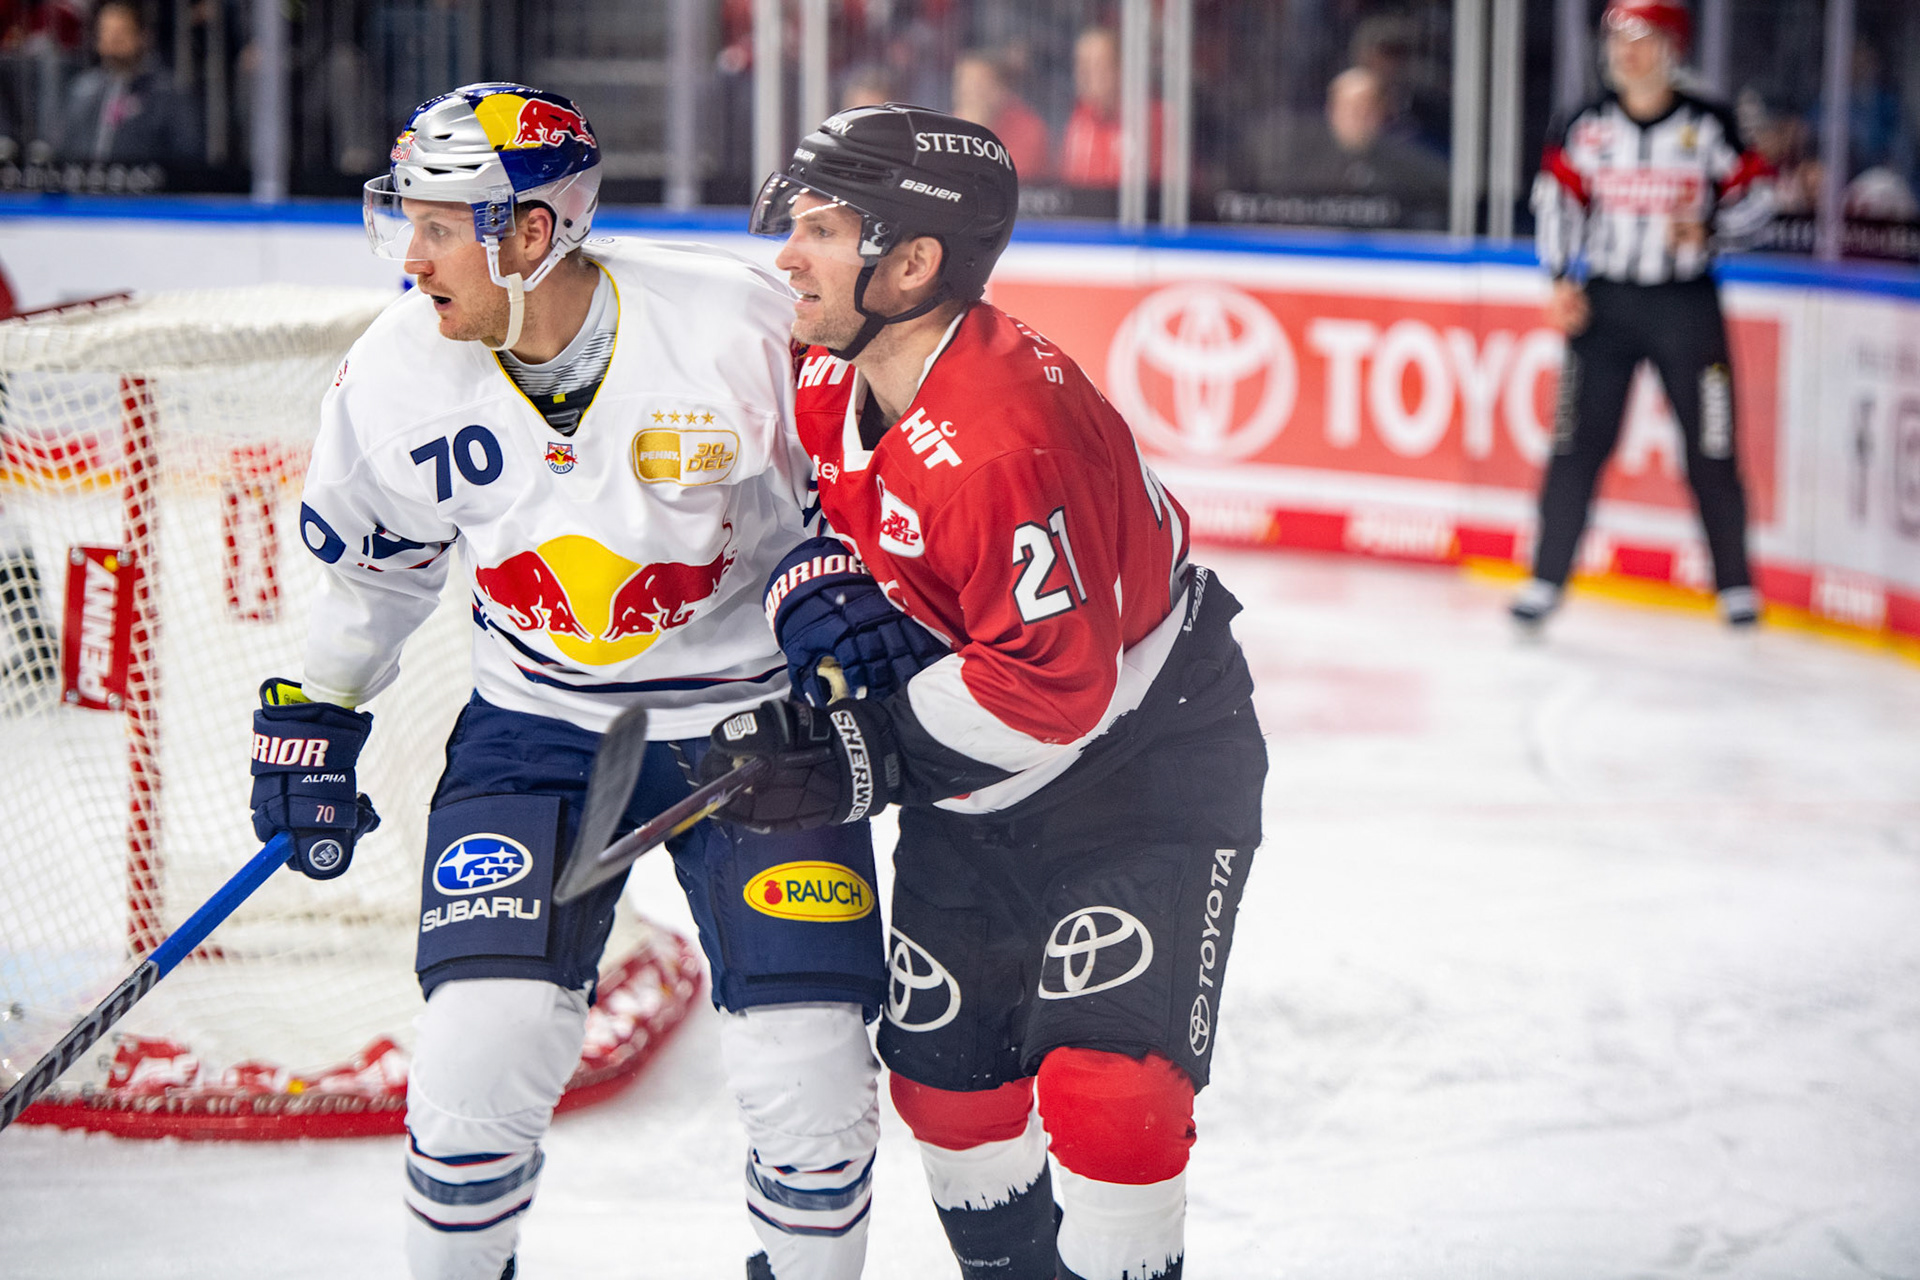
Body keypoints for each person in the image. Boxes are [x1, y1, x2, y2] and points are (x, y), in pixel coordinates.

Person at [246, 83, 888, 1280]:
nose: (412, 259)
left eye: (442, 228)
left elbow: (871, 493)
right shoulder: (392, 374)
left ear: (533, 232)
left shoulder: (738, 325)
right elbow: (373, 574)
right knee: (471, 1077)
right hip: (536, 728)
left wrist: (845, 584)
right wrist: (316, 714)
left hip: (756, 728)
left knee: (815, 1085)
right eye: (407, 222)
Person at [711, 104, 1269, 1280]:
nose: (787, 257)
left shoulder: (1003, 436)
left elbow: (1052, 688)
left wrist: (857, 750)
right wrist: (815, 581)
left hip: (1144, 762)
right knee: (947, 1086)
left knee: (1114, 1092)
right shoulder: (833, 364)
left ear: (913, 263)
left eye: (822, 230)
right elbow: (835, 511)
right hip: (986, 772)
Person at [1518, 0, 1774, 629]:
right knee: (1576, 443)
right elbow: (1556, 203)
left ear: (1672, 49)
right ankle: (1545, 580)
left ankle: (1735, 587)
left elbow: (1760, 200)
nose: (1627, 53)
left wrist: (1713, 229)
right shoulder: (1585, 124)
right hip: (1606, 303)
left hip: (1685, 304)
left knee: (1712, 444)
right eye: (1618, 40)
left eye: (1644, 39)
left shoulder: (1708, 123)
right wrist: (1559, 277)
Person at [53, 0, 200, 165]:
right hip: (86, 179)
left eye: (120, 32)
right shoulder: (83, 89)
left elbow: (186, 153)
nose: (113, 39)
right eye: (106, 31)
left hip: (146, 178)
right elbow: (63, 147)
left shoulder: (166, 93)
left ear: (143, 36)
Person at [1058, 26, 1161, 190]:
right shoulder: (1078, 120)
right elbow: (1069, 190)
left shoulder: (1154, 120)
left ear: (1120, 70)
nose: (1084, 74)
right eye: (1081, 65)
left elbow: (1162, 191)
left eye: (1096, 65)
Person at [952, 48, 1050, 182]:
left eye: (979, 86)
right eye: (963, 84)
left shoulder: (1027, 130)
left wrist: (977, 129)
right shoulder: (948, 128)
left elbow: (1010, 182)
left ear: (1001, 90)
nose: (969, 94)